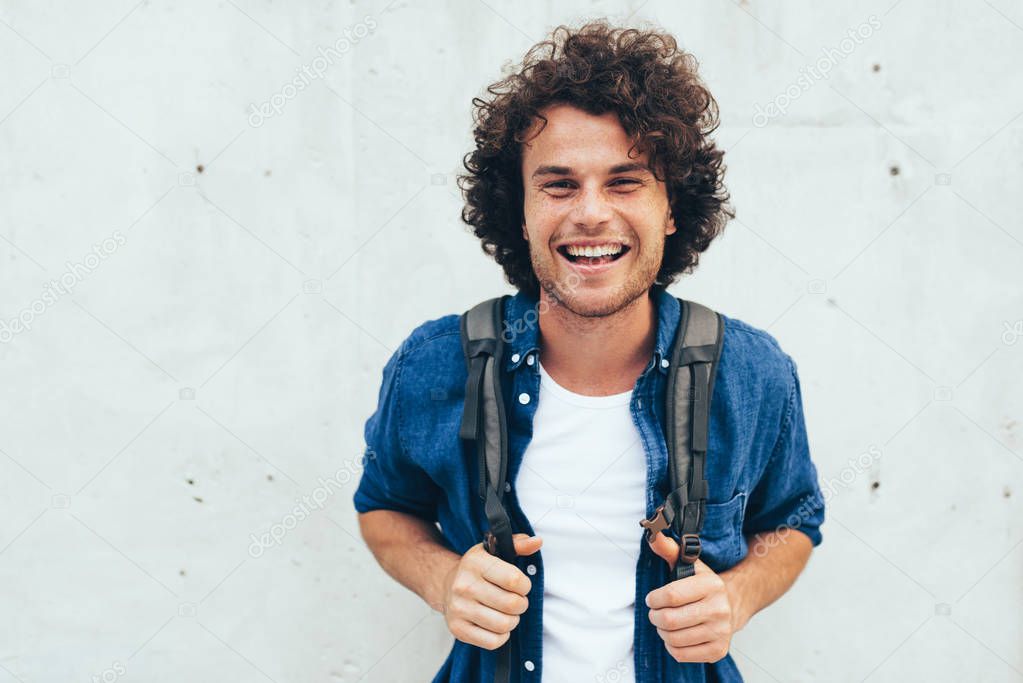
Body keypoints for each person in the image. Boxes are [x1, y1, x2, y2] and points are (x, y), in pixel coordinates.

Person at [353, 19, 825, 683]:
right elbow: (384, 505)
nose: (591, 213)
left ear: (670, 207)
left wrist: (738, 594)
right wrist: (441, 579)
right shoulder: (435, 362)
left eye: (625, 181)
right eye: (558, 184)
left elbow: (792, 521)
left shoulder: (751, 371)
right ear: (519, 212)